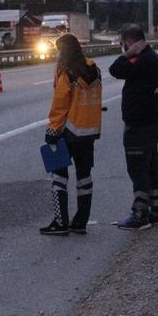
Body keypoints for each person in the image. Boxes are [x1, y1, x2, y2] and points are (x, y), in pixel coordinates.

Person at [41, 34, 103, 236]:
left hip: (67, 131)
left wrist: (52, 130)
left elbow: (60, 104)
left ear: (63, 51)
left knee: (59, 176)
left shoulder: (65, 71)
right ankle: (81, 222)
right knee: (84, 177)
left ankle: (60, 222)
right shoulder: (94, 70)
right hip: (89, 131)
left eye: (58, 50)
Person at [109, 24, 158, 230]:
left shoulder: (143, 60)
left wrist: (128, 54)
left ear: (131, 42)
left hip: (139, 124)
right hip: (151, 121)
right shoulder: (153, 60)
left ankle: (140, 213)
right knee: (151, 165)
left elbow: (115, 69)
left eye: (123, 43)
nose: (122, 47)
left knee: (138, 168)